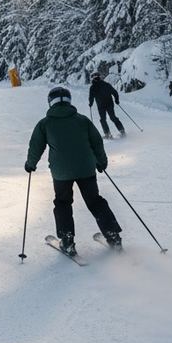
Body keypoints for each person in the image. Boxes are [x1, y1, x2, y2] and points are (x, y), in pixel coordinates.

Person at [25, 85, 122, 256]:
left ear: (50, 103)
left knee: (63, 203)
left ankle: (67, 241)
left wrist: (31, 163)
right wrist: (101, 162)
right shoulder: (82, 120)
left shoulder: (45, 124)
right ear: (69, 101)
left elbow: (36, 146)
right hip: (86, 169)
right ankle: (113, 236)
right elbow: (96, 141)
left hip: (61, 173)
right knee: (95, 201)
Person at [88, 72, 125, 139]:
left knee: (103, 119)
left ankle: (107, 134)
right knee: (112, 117)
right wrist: (117, 100)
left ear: (93, 78)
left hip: (101, 105)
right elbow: (115, 92)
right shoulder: (106, 84)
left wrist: (91, 103)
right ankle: (122, 131)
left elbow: (91, 97)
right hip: (109, 104)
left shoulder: (93, 87)